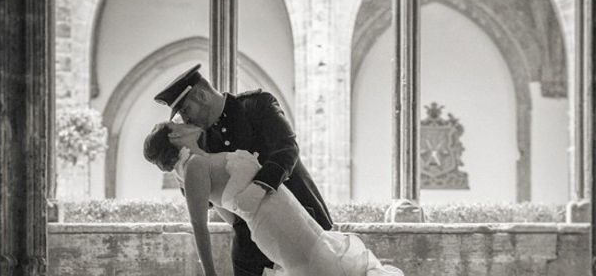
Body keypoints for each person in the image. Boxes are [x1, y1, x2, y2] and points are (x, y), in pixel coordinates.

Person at [144, 121, 403, 276]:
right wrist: (210, 274)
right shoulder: (195, 166)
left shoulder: (200, 161)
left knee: (326, 262)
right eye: (176, 124)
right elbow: (199, 225)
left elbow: (230, 214)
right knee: (319, 268)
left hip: (286, 214)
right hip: (275, 225)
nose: (183, 121)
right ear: (174, 136)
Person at [151, 64, 333, 276]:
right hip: (253, 244)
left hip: (302, 222)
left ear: (201, 95)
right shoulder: (201, 141)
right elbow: (206, 199)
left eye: (185, 110)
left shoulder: (257, 106)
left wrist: (259, 188)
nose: (185, 119)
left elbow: (287, 149)